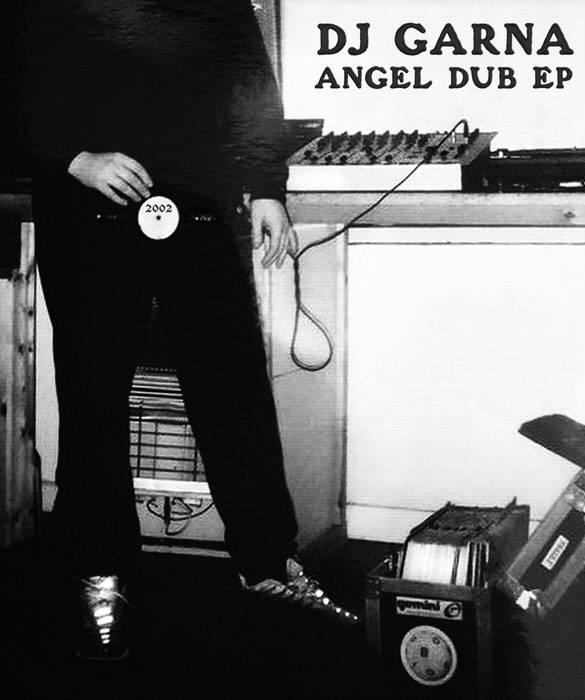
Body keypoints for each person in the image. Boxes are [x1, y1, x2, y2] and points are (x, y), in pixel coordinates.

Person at [20, 0, 356, 661]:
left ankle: (267, 565)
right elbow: (13, 73)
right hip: (85, 210)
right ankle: (101, 573)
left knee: (234, 388)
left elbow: (247, 76)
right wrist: (76, 157)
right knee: (92, 399)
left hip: (198, 205)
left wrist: (267, 186)